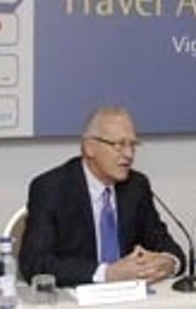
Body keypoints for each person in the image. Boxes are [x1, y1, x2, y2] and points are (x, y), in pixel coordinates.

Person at [18, 106, 184, 287]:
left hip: (130, 296)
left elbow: (164, 244)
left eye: (132, 145)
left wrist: (169, 262)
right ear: (89, 147)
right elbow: (35, 264)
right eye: (119, 145)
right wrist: (107, 273)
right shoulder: (51, 189)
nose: (129, 154)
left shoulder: (136, 186)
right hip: (76, 296)